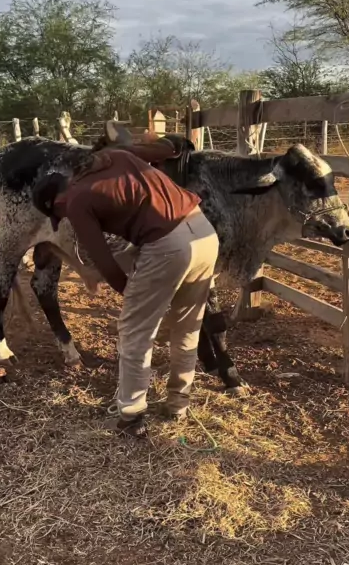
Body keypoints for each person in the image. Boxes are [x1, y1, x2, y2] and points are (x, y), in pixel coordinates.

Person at [32, 142, 219, 437]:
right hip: (204, 232)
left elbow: (105, 262)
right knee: (187, 326)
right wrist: (168, 145)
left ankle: (131, 417)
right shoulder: (113, 157)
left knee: (134, 332)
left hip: (168, 245)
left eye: (59, 213)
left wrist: (130, 295)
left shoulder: (76, 202)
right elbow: (162, 150)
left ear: (56, 201)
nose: (64, 217)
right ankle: (177, 405)